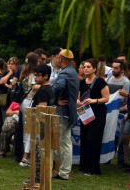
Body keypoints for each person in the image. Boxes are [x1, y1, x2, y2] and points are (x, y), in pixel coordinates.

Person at [78, 59, 109, 175]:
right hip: (84, 113)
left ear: (94, 69)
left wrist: (94, 100)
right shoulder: (81, 82)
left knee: (93, 139)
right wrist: (77, 101)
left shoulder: (100, 82)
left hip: (98, 113)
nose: (85, 68)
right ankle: (84, 166)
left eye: (88, 67)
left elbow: (106, 98)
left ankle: (93, 168)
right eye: (84, 66)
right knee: (85, 138)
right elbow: (79, 97)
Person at [52, 49, 79, 180]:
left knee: (64, 142)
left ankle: (63, 173)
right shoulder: (72, 72)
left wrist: (55, 100)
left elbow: (57, 87)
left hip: (64, 112)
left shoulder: (66, 73)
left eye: (58, 57)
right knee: (65, 141)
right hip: (69, 111)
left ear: (61, 59)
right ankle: (64, 171)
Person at [105, 59, 130, 168]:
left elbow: (121, 98)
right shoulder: (109, 79)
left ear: (122, 70)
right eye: (113, 67)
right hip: (109, 112)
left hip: (120, 112)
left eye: (116, 68)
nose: (113, 70)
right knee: (108, 134)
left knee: (120, 138)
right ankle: (107, 157)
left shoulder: (125, 82)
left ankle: (120, 160)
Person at [18, 52, 39, 167]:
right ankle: (26, 156)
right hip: (30, 102)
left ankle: (26, 155)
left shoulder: (23, 72)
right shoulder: (32, 75)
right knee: (30, 130)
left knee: (27, 129)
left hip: (23, 102)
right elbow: (34, 88)